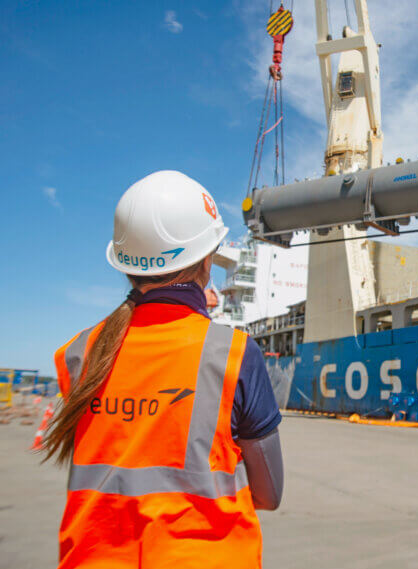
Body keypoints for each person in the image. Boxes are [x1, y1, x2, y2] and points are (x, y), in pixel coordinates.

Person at [41, 170, 284, 568]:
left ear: (126, 263)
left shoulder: (79, 352)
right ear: (206, 259)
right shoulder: (233, 353)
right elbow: (269, 494)